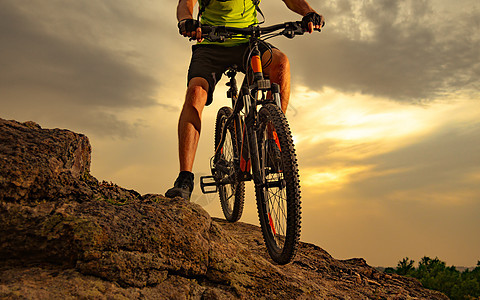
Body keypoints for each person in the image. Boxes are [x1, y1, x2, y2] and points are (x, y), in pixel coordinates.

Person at [166, 0, 324, 200]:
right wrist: (187, 20)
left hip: (248, 42)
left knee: (281, 64)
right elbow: (185, 3)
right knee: (195, 93)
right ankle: (185, 178)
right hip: (211, 43)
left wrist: (309, 13)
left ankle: (271, 142)